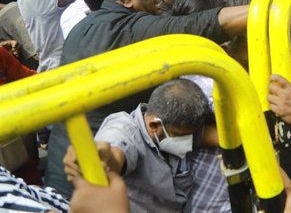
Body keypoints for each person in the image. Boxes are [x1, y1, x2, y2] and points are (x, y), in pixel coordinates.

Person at [44, 0, 249, 196]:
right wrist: (267, 7)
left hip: (68, 169)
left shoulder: (85, 26)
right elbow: (201, 24)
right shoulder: (132, 29)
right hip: (89, 175)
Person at [63, 79, 215, 212]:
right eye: (179, 135)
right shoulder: (125, 130)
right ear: (154, 125)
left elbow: (212, 136)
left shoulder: (177, 127)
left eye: (190, 134)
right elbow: (115, 153)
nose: (187, 141)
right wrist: (102, 158)